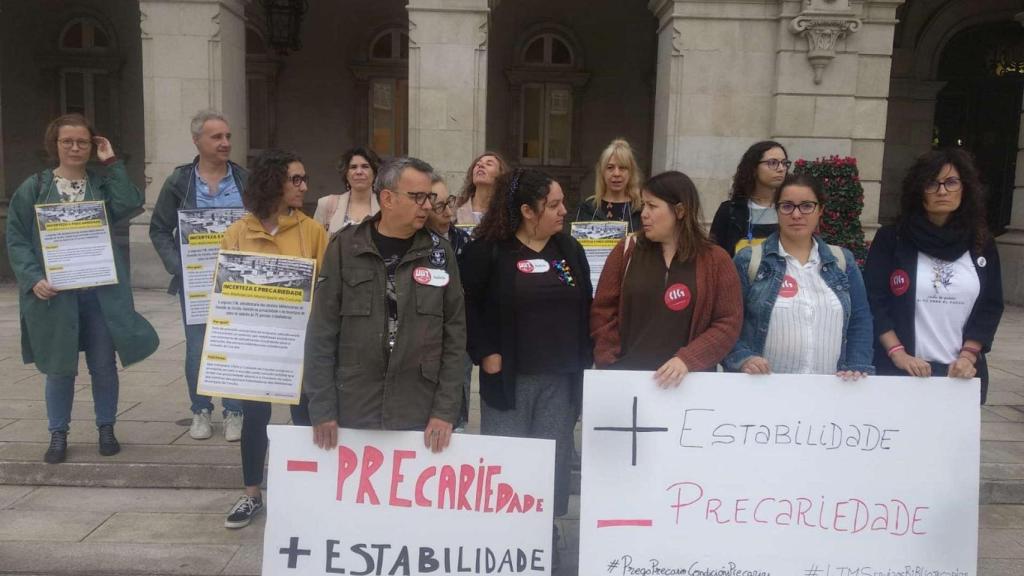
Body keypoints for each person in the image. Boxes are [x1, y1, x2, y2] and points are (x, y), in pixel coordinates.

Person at [6, 113, 159, 464]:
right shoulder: (35, 187)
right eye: (67, 141)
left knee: (103, 364)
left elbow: (130, 202)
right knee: (59, 367)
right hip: (56, 293)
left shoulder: (100, 185)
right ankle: (57, 433)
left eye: (83, 142)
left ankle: (106, 427)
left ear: (92, 146)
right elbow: (16, 237)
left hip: (98, 293)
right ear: (54, 145)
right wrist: (32, 279)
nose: (75, 148)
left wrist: (112, 162)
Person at [461, 168, 593, 566]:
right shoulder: (487, 251)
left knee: (552, 457)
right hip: (509, 379)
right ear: (526, 211)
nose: (564, 211)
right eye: (553, 205)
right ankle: (507, 535)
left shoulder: (568, 250)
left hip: (560, 377)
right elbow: (466, 307)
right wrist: (485, 352)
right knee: (509, 460)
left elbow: (586, 304)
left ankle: (545, 531)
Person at [304, 156, 466, 451]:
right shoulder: (345, 247)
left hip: (418, 406)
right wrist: (322, 408)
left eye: (429, 197)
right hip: (354, 404)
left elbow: (455, 337)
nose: (428, 206)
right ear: (388, 199)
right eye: (418, 197)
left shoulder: (440, 253)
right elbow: (321, 333)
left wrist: (445, 411)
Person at [221, 149, 328, 528]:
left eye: (304, 179)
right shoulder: (237, 232)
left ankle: (307, 496)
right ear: (274, 183)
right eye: (295, 180)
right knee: (254, 418)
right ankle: (252, 495)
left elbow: (327, 291)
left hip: (299, 347)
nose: (304, 187)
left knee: (305, 418)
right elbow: (226, 293)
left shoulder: (314, 231)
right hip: (255, 349)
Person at [865, 148, 1004, 403]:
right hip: (900, 372)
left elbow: (990, 306)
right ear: (919, 191)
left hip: (960, 377)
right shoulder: (893, 239)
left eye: (951, 182)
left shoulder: (981, 243)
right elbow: (874, 301)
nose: (942, 191)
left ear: (965, 188)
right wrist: (898, 353)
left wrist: (968, 356)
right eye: (932, 183)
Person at [591, 171, 742, 386]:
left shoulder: (716, 260)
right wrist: (611, 362)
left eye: (652, 206)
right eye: (643, 206)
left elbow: (728, 322)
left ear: (679, 211)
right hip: (629, 380)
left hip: (690, 385)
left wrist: (687, 359)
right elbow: (603, 311)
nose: (643, 214)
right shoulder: (626, 251)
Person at [149, 110, 247, 441]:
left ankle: (234, 410)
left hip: (237, 281)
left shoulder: (244, 179)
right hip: (196, 282)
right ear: (197, 141)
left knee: (233, 345)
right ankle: (200, 410)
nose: (225, 143)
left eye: (228, 137)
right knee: (197, 347)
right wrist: (179, 267)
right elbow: (159, 229)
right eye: (216, 137)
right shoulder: (179, 181)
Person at [724, 174, 874, 378]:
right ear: (776, 210)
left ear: (820, 210)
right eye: (787, 206)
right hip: (764, 391)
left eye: (806, 206)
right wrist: (744, 358)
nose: (796, 214)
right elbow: (726, 321)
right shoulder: (749, 261)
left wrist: (857, 365)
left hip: (833, 392)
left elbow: (860, 319)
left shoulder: (842, 261)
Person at [426, 173, 473, 428]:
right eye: (440, 206)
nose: (448, 211)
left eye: (450, 202)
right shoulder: (415, 244)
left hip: (457, 334)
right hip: (424, 337)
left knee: (456, 394)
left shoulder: (464, 241)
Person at [710, 140, 791, 256]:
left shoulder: (792, 209)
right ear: (754, 168)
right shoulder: (730, 210)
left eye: (784, 163)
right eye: (773, 163)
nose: (781, 168)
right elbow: (714, 255)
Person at [575, 139, 643, 233]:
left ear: (631, 172)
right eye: (610, 167)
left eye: (622, 168)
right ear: (602, 172)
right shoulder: (587, 208)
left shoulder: (641, 209)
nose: (616, 173)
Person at [313, 145, 381, 234]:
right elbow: (315, 244)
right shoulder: (326, 204)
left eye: (365, 166)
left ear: (374, 173)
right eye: (353, 167)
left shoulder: (385, 206)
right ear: (346, 174)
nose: (359, 172)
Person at [455, 151, 508, 226]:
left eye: (489, 164)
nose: (481, 165)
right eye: (478, 164)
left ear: (500, 175)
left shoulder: (506, 212)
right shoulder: (455, 207)